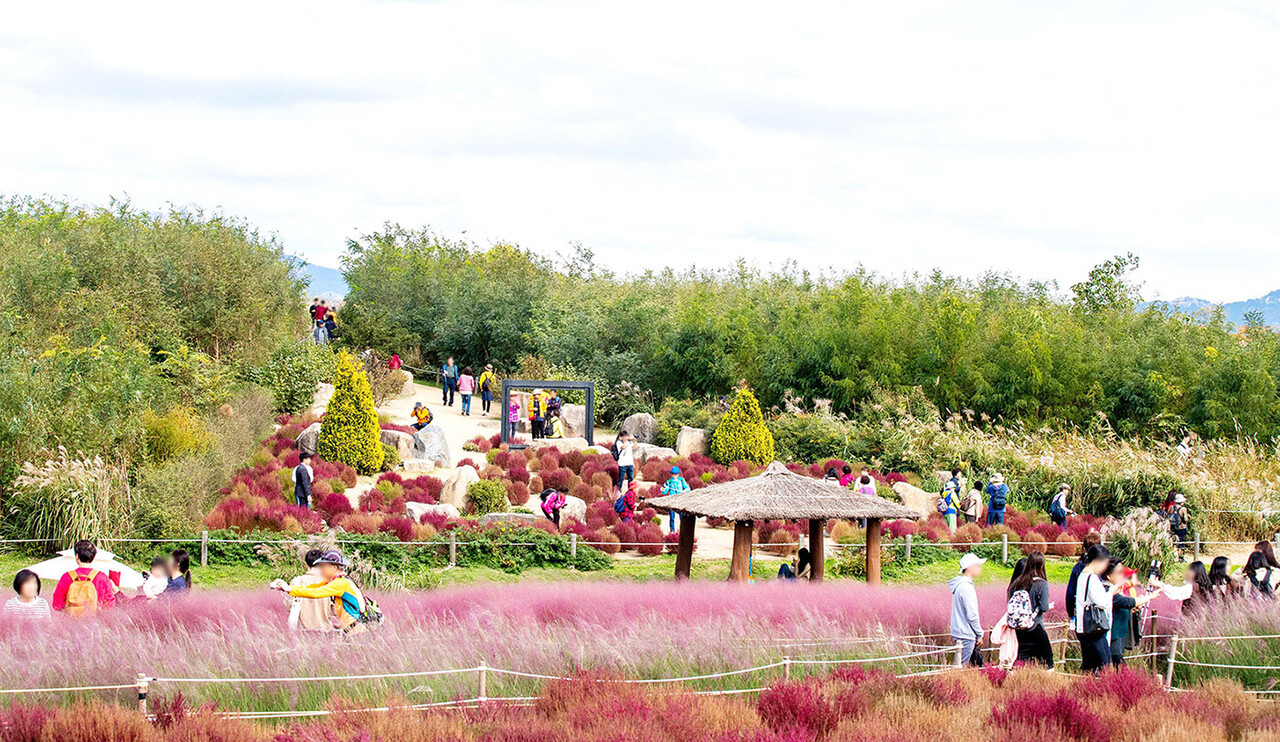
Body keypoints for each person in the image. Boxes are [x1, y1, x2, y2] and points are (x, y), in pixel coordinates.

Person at [273, 550, 369, 634]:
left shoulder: (341, 583)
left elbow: (316, 592)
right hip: (353, 628)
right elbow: (313, 587)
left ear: (334, 567)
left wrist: (290, 589)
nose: (321, 569)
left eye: (323, 566)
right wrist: (288, 588)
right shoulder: (341, 580)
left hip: (356, 630)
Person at [1074, 544, 1121, 674]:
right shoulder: (1093, 578)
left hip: (1083, 627)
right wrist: (1111, 592)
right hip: (1094, 629)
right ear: (1097, 561)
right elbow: (1102, 603)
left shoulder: (1082, 575)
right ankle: (1102, 692)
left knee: (1088, 666)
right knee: (1105, 665)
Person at [1006, 550, 1054, 667]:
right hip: (1036, 626)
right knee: (1047, 659)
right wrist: (1049, 605)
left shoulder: (1016, 583)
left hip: (1020, 627)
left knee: (1023, 657)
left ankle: (1015, 679)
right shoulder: (1042, 584)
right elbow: (1043, 607)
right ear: (1042, 565)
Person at [1106, 560, 1158, 667]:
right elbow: (1126, 602)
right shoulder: (1110, 590)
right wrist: (1149, 597)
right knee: (1117, 660)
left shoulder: (1119, 588)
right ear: (1109, 575)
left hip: (1120, 631)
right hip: (1114, 631)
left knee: (1117, 659)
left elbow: (1127, 603)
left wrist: (1133, 608)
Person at [51, 540, 116, 616]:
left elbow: (57, 605)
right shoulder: (102, 577)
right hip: (96, 622)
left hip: (71, 622)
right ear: (93, 557)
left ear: (77, 556)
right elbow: (110, 604)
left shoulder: (67, 577)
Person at [948, 553, 986, 667]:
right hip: (965, 634)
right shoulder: (966, 587)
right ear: (970, 567)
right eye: (978, 565)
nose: (980, 568)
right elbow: (972, 614)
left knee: (960, 664)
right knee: (961, 666)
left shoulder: (961, 585)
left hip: (959, 632)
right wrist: (979, 633)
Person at [288, 549, 337, 631]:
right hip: (325, 631)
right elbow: (335, 611)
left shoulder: (297, 581)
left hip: (302, 633)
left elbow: (289, 606)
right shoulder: (330, 582)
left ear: (306, 565)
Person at [1065, 532, 1102, 627]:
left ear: (1084, 549)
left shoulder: (1078, 568)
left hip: (1082, 613)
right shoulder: (1103, 567)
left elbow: (1070, 593)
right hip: (1100, 614)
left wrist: (1071, 614)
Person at [660, 466, 691, 532]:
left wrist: (684, 491)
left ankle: (682, 530)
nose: (674, 475)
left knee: (682, 517)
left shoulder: (682, 480)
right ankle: (672, 531)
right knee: (672, 517)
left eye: (676, 474)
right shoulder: (669, 482)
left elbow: (688, 488)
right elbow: (664, 491)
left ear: (678, 474)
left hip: (680, 500)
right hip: (672, 501)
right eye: (673, 474)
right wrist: (663, 489)